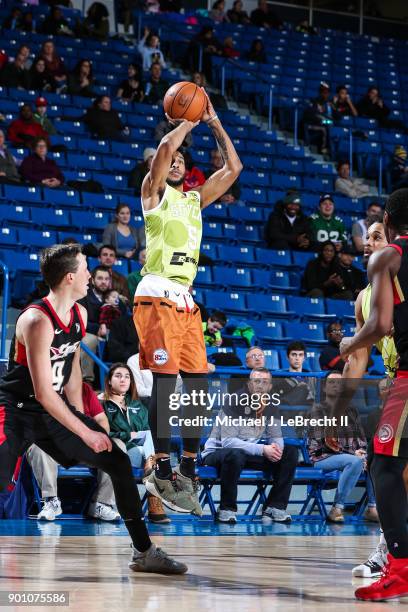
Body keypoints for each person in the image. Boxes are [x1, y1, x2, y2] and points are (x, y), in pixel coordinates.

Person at [0, 244, 186, 574]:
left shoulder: (81, 314)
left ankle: (143, 551)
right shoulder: (36, 319)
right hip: (14, 412)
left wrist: (80, 416)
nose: (91, 274)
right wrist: (84, 430)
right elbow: (43, 391)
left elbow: (70, 368)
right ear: (70, 277)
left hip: (51, 411)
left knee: (114, 459)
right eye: (86, 268)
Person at [134, 89, 242, 514]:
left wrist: (213, 121)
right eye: (170, 159)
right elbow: (163, 146)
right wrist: (187, 122)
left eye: (181, 159)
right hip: (156, 291)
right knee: (165, 384)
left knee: (196, 386)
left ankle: (190, 467)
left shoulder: (195, 199)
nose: (175, 159)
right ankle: (161, 466)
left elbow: (234, 167)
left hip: (186, 300)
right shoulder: (153, 194)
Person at [338, 191, 408, 601]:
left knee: (384, 464)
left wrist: (348, 343)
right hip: (394, 378)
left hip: (406, 377)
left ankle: (398, 565)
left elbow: (380, 325)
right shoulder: (366, 286)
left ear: (391, 221)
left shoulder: (387, 259)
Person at [202, 368, 298, 523]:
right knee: (235, 454)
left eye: (264, 382)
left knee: (290, 452)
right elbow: (228, 442)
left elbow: (275, 436)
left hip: (247, 455)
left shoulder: (271, 405)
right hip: (217, 453)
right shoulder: (234, 401)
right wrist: (262, 449)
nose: (260, 386)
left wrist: (276, 449)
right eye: (256, 381)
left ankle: (274, 507)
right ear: (249, 384)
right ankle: (226, 509)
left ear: (270, 387)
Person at [27, 382, 120, 522]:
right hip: (54, 446)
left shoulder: (85, 388)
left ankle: (101, 504)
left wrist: (100, 436)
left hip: (86, 445)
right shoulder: (41, 388)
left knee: (117, 445)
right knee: (37, 447)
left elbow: (101, 418)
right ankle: (51, 501)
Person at [102, 363, 170, 524]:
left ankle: (150, 464)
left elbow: (148, 432)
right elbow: (102, 434)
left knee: (150, 438)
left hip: (139, 452)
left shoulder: (138, 406)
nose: (123, 380)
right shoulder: (102, 405)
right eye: (118, 376)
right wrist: (128, 434)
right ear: (109, 381)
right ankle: (155, 503)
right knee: (154, 455)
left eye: (127, 376)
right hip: (119, 451)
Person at [306, 373, 377, 523]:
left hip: (349, 456)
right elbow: (324, 443)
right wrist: (354, 454)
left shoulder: (352, 411)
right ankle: (337, 508)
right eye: (331, 382)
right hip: (322, 457)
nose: (336, 385)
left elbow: (361, 440)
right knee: (354, 461)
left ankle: (372, 508)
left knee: (375, 459)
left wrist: (362, 452)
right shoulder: (317, 410)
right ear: (324, 388)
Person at [275, 341, 314, 405]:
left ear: (304, 358)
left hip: (306, 411)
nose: (297, 358)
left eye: (300, 355)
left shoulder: (311, 376)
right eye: (294, 355)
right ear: (287, 357)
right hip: (284, 411)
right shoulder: (279, 376)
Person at [303, 82, 333, 154]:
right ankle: (324, 148)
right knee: (326, 127)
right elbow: (310, 115)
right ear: (320, 93)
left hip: (323, 123)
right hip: (312, 124)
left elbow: (336, 117)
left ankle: (331, 150)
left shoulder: (329, 104)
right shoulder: (314, 102)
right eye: (324, 93)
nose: (326, 95)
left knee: (331, 124)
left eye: (327, 93)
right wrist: (323, 119)